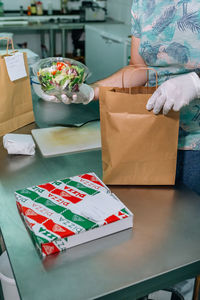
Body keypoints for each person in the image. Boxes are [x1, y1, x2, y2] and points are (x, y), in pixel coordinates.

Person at [91, 1, 200, 299]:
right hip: (151, 135)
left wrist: (196, 82)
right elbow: (140, 70)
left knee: (190, 248)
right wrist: (93, 91)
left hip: (197, 145)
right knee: (146, 241)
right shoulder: (142, 4)